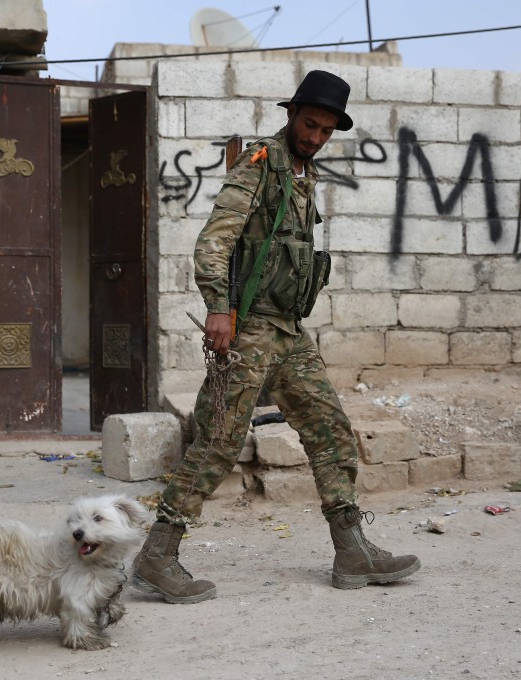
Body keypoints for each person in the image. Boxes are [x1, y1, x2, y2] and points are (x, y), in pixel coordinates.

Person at [131, 70, 421, 604]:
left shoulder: (304, 171)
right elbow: (213, 241)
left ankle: (351, 549)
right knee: (217, 442)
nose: (315, 136)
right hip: (248, 328)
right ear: (291, 115)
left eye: (326, 130)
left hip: (287, 332)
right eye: (309, 124)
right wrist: (219, 308)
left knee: (330, 431)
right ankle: (157, 556)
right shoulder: (260, 164)